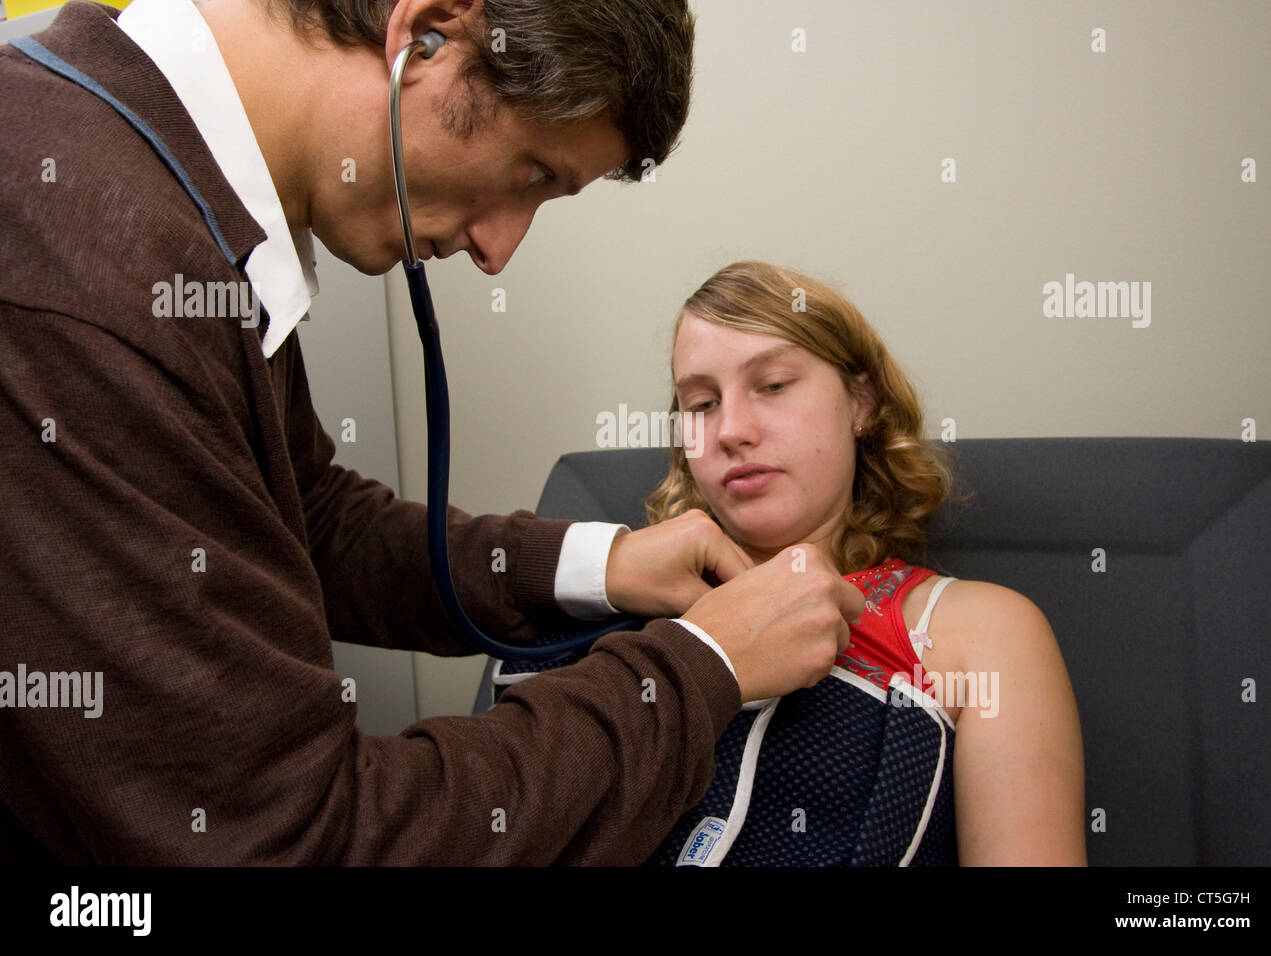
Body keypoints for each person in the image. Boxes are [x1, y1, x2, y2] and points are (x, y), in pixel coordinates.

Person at [0, 0, 867, 864]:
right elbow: (296, 840)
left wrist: (596, 566)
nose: (497, 251)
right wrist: (698, 669)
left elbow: (306, 520)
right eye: (532, 175)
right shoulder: (88, 256)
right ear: (429, 34)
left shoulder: (155, 203)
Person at [499, 261, 1086, 864]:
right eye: (700, 403)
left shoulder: (975, 634)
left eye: (774, 385)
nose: (732, 430)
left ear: (861, 401)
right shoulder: (613, 608)